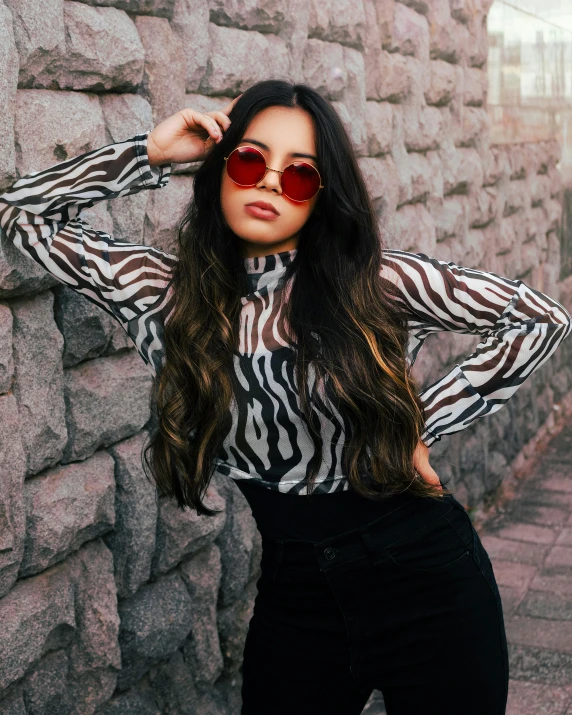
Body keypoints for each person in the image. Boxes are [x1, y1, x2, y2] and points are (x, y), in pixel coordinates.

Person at [0, 79, 570, 715]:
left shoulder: (375, 283)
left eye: (299, 176)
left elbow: (539, 319)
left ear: (320, 199)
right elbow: (22, 215)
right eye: (249, 161)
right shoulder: (161, 294)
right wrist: (150, 155)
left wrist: (418, 426)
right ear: (219, 168)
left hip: (429, 582)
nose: (271, 182)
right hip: (296, 599)